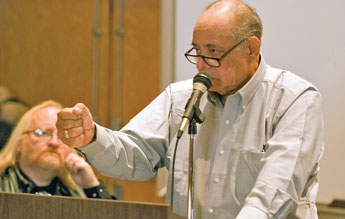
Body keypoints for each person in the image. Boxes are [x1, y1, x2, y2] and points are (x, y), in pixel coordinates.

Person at [56, 0, 324, 218]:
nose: (200, 65)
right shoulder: (182, 98)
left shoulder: (294, 100)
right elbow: (135, 155)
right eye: (197, 51)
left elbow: (274, 192)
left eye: (213, 52)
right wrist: (92, 137)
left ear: (251, 49)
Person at [0, 100, 114, 199]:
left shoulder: (78, 189)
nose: (54, 143)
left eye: (62, 136)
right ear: (19, 142)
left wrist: (92, 186)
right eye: (43, 133)